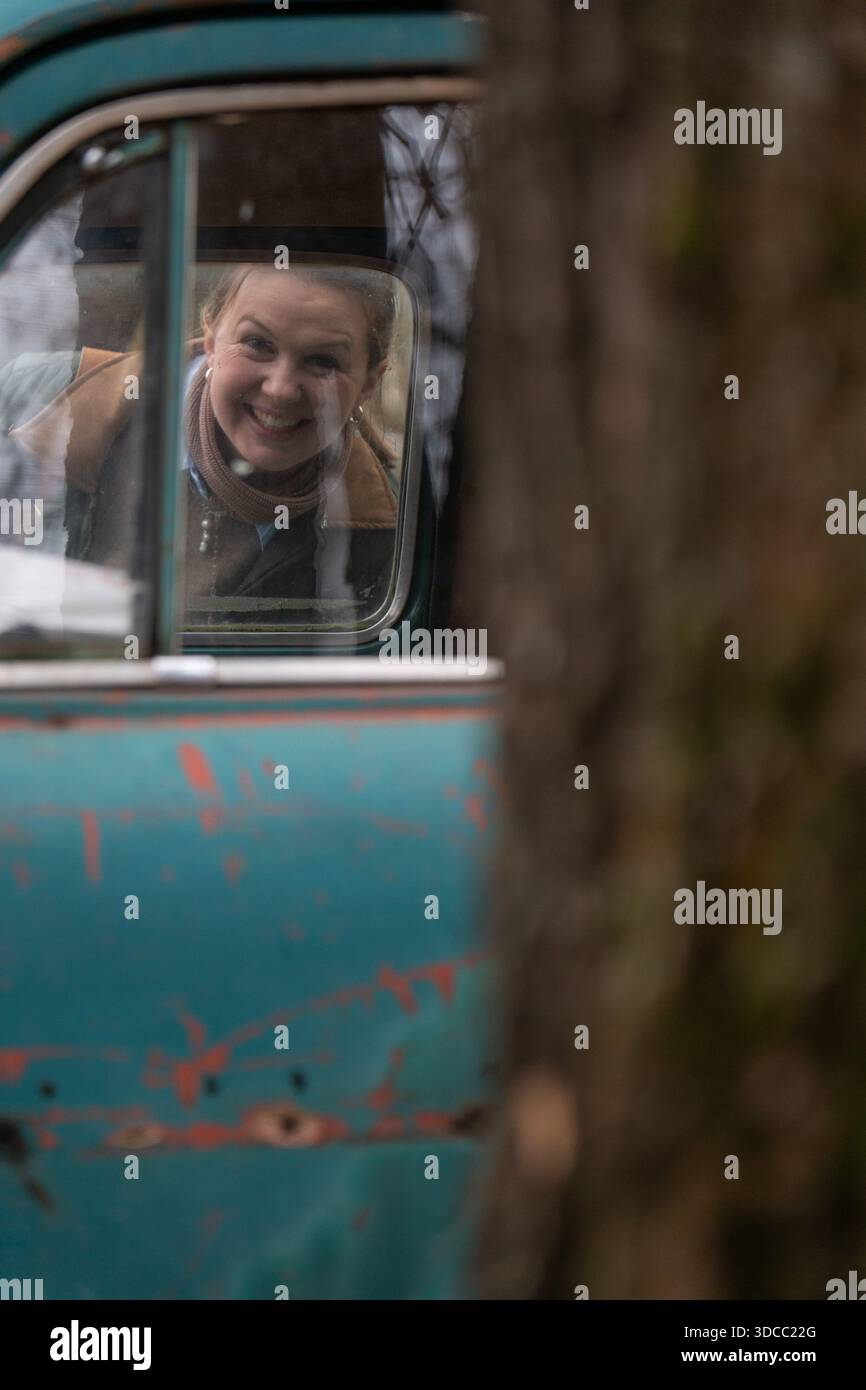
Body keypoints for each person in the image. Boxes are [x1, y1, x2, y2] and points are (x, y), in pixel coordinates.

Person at [0, 261, 400, 628]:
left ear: (369, 382)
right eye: (258, 344)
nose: (280, 389)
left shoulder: (397, 536)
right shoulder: (32, 399)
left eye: (324, 362)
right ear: (210, 336)